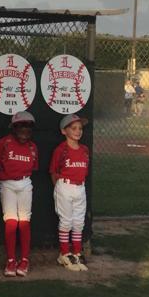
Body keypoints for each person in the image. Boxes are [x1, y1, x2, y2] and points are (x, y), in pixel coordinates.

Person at [0, 111, 38, 277]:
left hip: (25, 183)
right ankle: (11, 260)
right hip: (7, 184)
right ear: (13, 127)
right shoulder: (4, 143)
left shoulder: (33, 147)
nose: (24, 129)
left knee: (25, 221)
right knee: (11, 221)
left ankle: (25, 259)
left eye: (28, 126)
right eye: (20, 125)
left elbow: (32, 168)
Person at [50, 114, 90, 272]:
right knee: (66, 221)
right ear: (63, 131)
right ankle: (65, 253)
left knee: (79, 222)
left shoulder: (85, 149)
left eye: (80, 128)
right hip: (64, 186)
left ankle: (77, 253)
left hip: (80, 187)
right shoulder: (61, 150)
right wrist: (59, 188)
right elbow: (53, 172)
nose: (78, 131)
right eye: (73, 128)